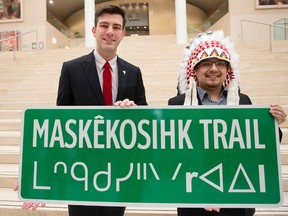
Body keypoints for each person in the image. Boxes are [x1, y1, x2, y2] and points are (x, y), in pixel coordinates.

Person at [14, 4, 147, 216]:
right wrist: (39, 174)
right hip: (80, 172)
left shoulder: (133, 72)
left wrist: (135, 111)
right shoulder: (71, 69)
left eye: (116, 27)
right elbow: (58, 125)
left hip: (119, 173)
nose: (110, 32)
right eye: (104, 25)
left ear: (123, 33)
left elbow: (145, 121)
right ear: (94, 30)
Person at [168, 31, 287, 216]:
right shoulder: (176, 104)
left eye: (220, 63)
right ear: (194, 70)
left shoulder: (243, 101)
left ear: (227, 69)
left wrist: (272, 125)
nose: (214, 68)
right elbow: (171, 155)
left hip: (238, 198)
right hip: (196, 200)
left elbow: (261, 147)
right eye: (206, 63)